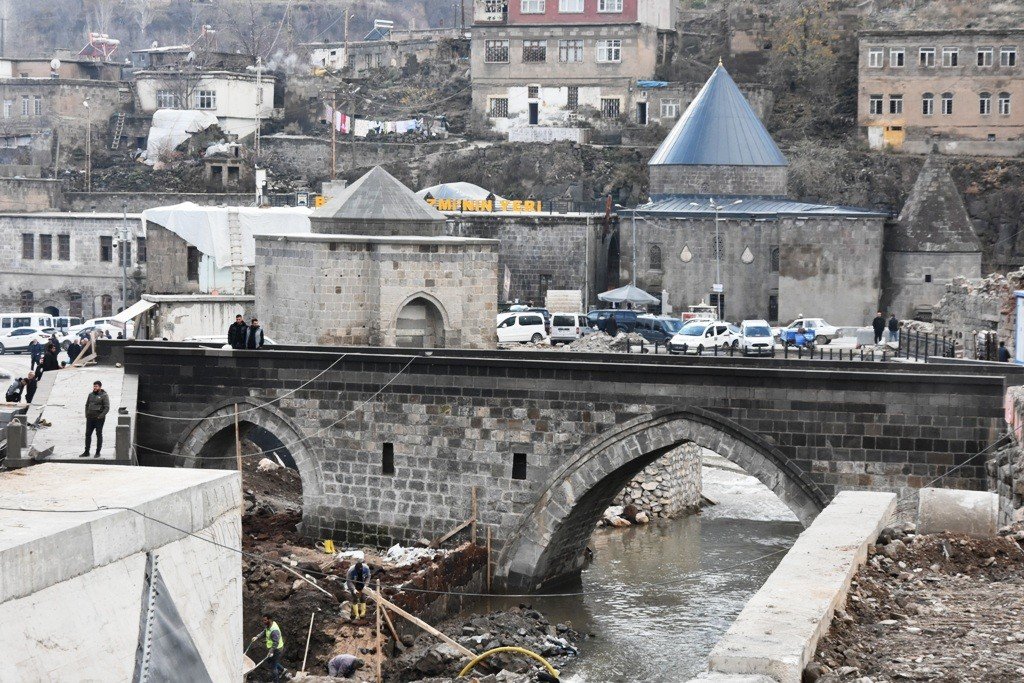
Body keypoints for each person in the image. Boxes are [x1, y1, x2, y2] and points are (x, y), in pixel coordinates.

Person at [80, 380, 109, 458]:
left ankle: (97, 452)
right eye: (94, 386)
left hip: (99, 419)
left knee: (98, 434)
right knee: (88, 434)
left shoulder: (104, 395)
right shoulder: (90, 395)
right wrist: (86, 414)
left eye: (96, 386)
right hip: (90, 418)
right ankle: (86, 452)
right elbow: (86, 405)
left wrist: (100, 416)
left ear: (100, 387)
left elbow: (107, 407)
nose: (94, 388)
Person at [260, 614, 285, 683]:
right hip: (273, 648)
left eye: (265, 620)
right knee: (270, 661)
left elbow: (276, 643)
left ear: (269, 620)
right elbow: (265, 631)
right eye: (263, 620)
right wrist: (257, 637)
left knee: (273, 667)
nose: (263, 621)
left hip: (277, 649)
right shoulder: (269, 625)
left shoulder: (274, 630)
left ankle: (276, 681)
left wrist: (271, 651)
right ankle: (283, 670)